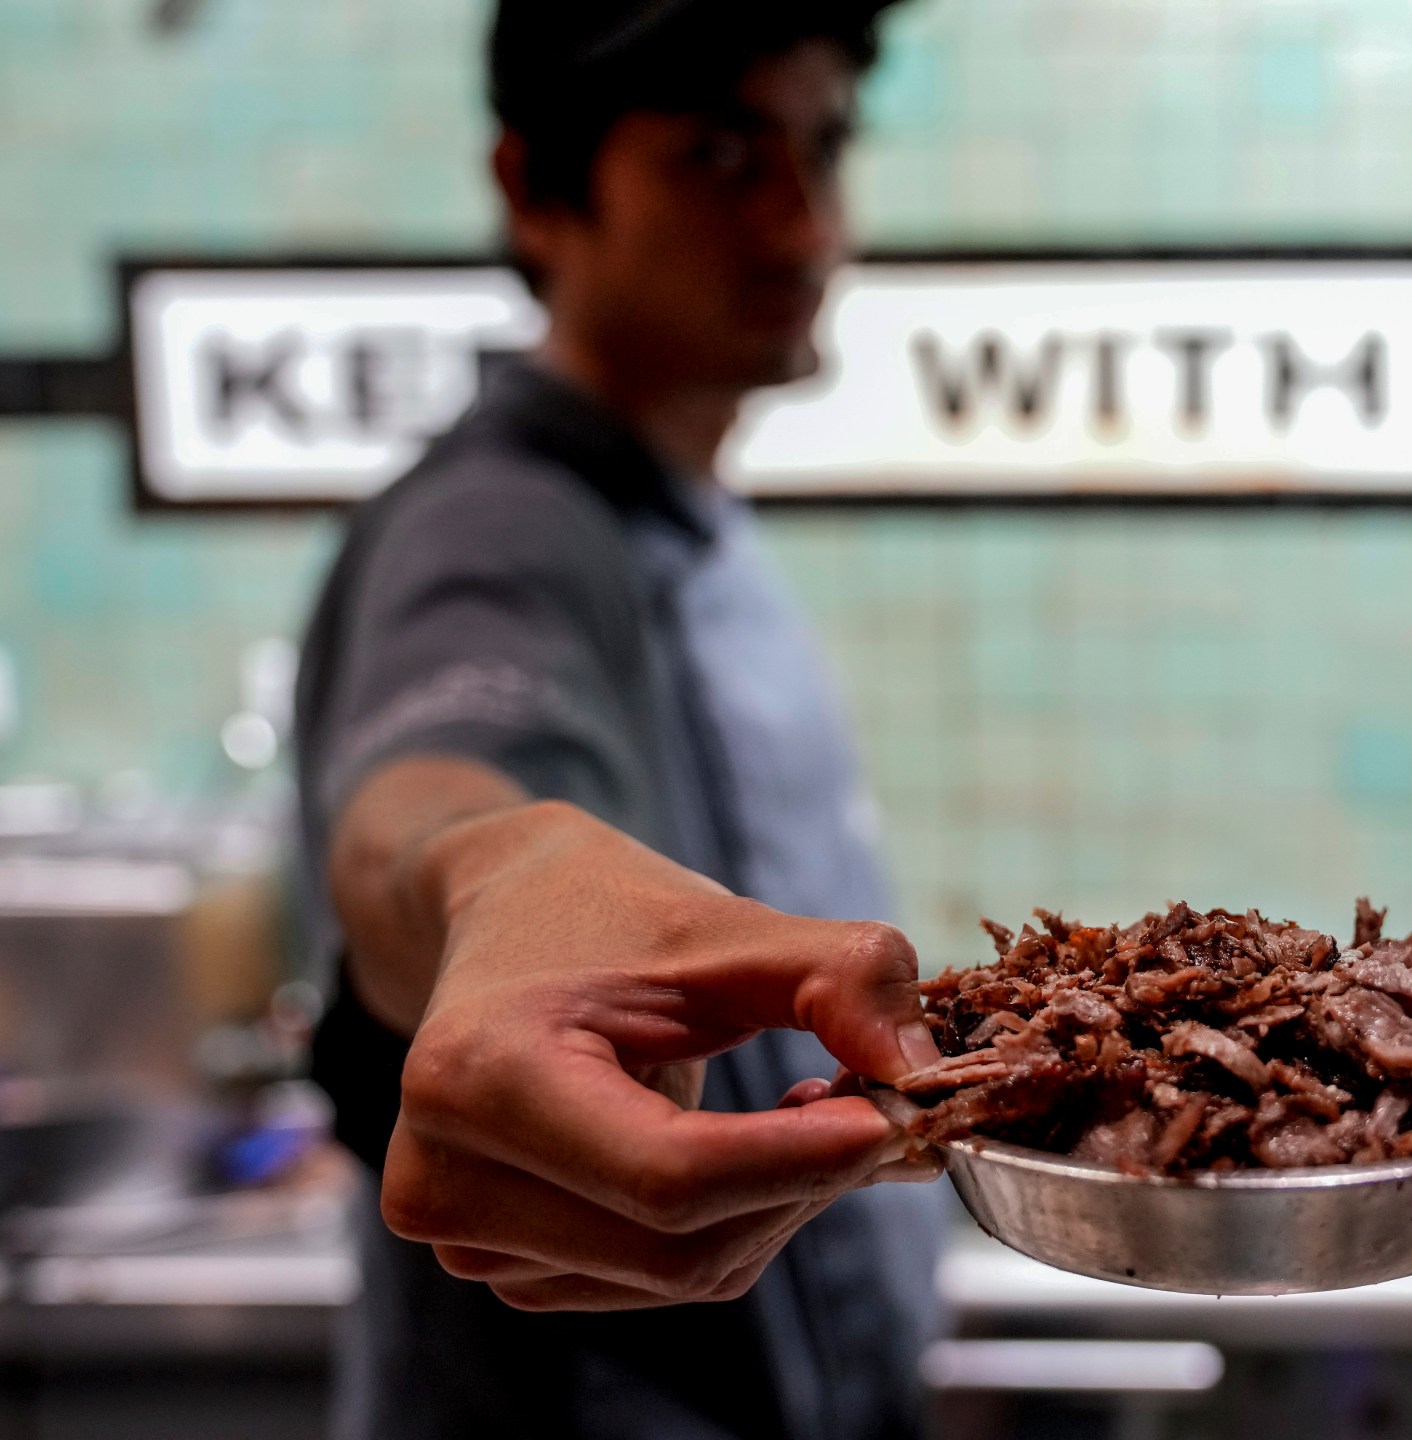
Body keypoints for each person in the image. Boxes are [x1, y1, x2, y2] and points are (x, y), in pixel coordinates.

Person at [291, 3, 943, 1436]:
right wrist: (494, 880)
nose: (803, 223)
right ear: (537, 189)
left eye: (821, 147)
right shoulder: (501, 525)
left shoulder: (687, 519)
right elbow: (433, 791)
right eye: (717, 155)